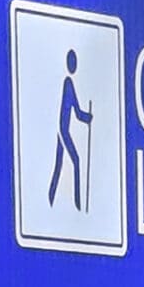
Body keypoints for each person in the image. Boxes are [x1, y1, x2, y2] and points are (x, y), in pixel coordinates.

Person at [48, 50, 93, 211]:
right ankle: (78, 206)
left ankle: (50, 200)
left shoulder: (69, 83)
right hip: (63, 130)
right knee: (76, 161)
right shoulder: (68, 83)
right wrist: (87, 117)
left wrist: (87, 117)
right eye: (73, 63)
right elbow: (77, 111)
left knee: (59, 166)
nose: (74, 66)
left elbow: (77, 112)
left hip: (63, 129)